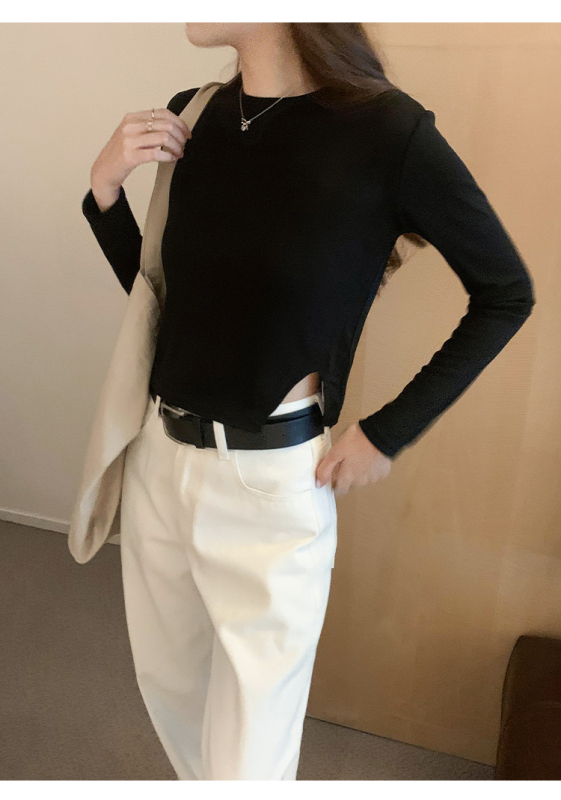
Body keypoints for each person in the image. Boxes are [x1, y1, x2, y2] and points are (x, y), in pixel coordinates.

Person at [81, 23, 535, 780]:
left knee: (250, 759)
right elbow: (167, 304)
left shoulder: (387, 131)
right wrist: (104, 193)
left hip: (269, 492)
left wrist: (388, 432)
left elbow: (505, 294)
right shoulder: (193, 114)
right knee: (176, 705)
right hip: (159, 463)